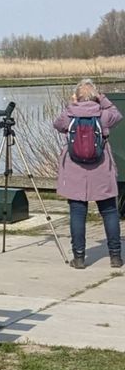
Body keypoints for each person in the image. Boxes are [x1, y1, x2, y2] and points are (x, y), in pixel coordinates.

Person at [53, 78, 122, 269]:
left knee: (77, 213)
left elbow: (57, 125)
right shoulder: (103, 115)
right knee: (109, 211)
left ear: (77, 96)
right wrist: (102, 98)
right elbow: (117, 115)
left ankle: (79, 258)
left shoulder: (69, 115)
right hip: (101, 170)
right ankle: (115, 256)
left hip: (75, 170)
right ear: (95, 97)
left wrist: (72, 103)